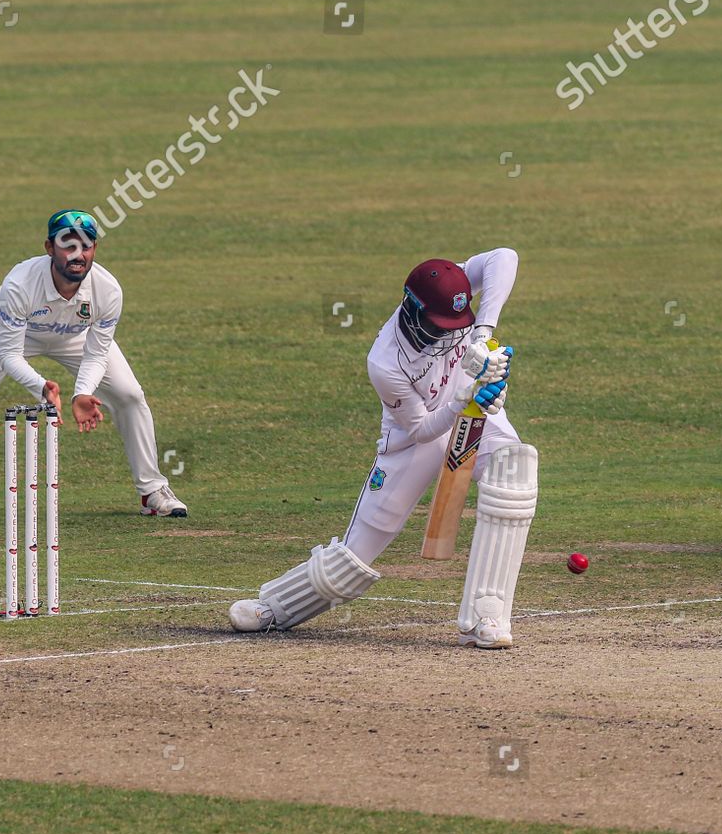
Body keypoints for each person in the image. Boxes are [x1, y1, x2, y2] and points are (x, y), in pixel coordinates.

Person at [228, 249, 539, 648]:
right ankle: (276, 605)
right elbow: (424, 429)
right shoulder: (385, 360)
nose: (448, 334)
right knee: (354, 557)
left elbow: (504, 257)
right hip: (413, 440)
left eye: (455, 326)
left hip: (475, 409)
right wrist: (463, 398)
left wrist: (484, 338)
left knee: (515, 469)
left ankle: (486, 618)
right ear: (414, 311)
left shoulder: (454, 292)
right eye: (441, 326)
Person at [0, 210, 186, 524]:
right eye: (68, 245)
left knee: (130, 394)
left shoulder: (107, 291)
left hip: (73, 335)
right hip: (15, 333)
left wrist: (82, 393)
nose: (77, 254)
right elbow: (10, 356)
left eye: (86, 245)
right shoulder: (20, 283)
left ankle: (152, 491)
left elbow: (96, 354)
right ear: (49, 248)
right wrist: (42, 386)